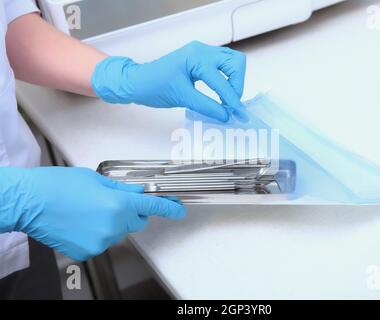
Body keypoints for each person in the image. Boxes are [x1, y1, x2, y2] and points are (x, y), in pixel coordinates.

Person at [0, 0, 246, 299]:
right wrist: (13, 200)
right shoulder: (27, 203)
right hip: (26, 207)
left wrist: (120, 76)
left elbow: (11, 23)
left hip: (24, 236)